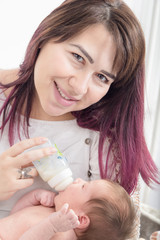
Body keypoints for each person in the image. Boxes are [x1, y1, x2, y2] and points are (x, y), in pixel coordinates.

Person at [0, 0, 159, 239]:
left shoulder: (105, 139)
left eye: (102, 77)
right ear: (46, 35)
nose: (79, 88)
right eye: (77, 57)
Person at [0, 178, 136, 240]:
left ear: (81, 219)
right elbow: (15, 215)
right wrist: (34, 196)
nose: (78, 179)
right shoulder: (53, 212)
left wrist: (51, 226)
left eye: (84, 186)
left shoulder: (63, 233)